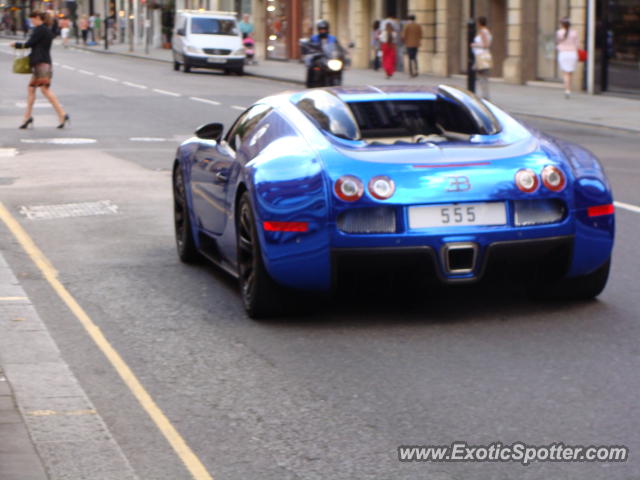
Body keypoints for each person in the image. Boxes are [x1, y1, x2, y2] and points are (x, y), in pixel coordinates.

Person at [10, 11, 69, 130]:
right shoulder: (46, 30)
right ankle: (27, 117)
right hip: (43, 62)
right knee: (32, 89)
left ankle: (62, 114)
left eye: (32, 20)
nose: (32, 22)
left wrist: (16, 44)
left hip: (41, 63)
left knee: (45, 90)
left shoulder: (40, 30)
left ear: (37, 18)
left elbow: (29, 44)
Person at [556, 17, 579, 99]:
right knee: (570, 73)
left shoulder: (559, 32)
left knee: (565, 73)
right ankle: (569, 89)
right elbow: (577, 45)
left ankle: (566, 89)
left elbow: (557, 43)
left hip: (563, 54)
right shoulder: (574, 33)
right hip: (572, 54)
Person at [471, 16, 493, 99]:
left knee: (482, 77)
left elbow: (486, 45)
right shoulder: (486, 31)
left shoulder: (483, 32)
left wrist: (474, 45)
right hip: (482, 56)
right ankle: (484, 96)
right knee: (482, 77)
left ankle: (485, 96)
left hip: (481, 57)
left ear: (479, 23)